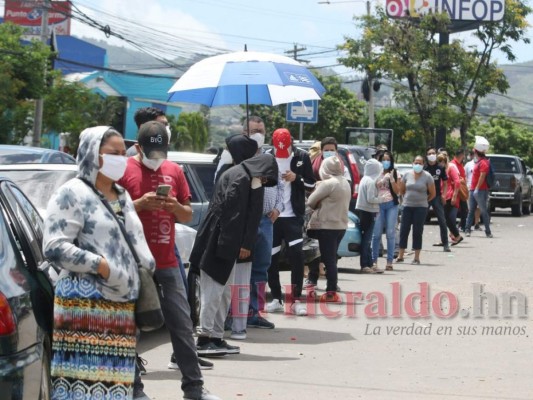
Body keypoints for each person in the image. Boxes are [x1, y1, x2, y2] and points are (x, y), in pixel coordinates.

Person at [43, 126, 156, 400]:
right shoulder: (72, 193)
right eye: (112, 153)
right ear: (92, 154)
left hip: (121, 308)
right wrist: (102, 265)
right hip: (84, 308)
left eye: (122, 153)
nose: (120, 158)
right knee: (83, 387)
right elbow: (54, 247)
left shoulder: (122, 195)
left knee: (117, 387)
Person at [119, 121, 219, 400]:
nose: (156, 158)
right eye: (150, 152)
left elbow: (187, 215)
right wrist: (138, 205)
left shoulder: (174, 170)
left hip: (166, 261)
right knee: (130, 330)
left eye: (160, 152)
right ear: (138, 148)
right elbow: (110, 211)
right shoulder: (124, 170)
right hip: (132, 264)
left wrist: (174, 207)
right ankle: (135, 390)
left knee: (182, 324)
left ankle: (194, 388)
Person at [190, 140, 278, 354]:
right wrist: (243, 245)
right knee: (213, 291)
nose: (264, 181)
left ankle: (217, 337)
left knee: (225, 292)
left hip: (226, 241)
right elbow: (234, 216)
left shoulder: (245, 176)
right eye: (265, 176)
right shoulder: (242, 178)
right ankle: (204, 339)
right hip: (220, 241)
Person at [228, 117, 283, 338]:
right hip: (243, 221)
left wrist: (278, 209)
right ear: (244, 132)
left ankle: (254, 311)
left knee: (261, 267)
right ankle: (233, 312)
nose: (258, 134)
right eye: (253, 131)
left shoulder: (270, 159)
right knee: (238, 269)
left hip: (265, 220)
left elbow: (280, 189)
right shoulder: (235, 159)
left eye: (261, 130)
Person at [266, 128, 316, 316]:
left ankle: (295, 300)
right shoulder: (268, 156)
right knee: (271, 258)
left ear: (290, 143)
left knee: (296, 256)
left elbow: (312, 184)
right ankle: (277, 299)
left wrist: (297, 178)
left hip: (293, 215)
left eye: (284, 149)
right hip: (273, 215)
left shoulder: (301, 156)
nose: (281, 153)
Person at [306, 156, 351, 302]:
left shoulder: (328, 184)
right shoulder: (345, 182)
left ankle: (330, 290)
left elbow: (311, 202)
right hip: (340, 226)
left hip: (325, 226)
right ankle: (324, 285)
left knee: (322, 257)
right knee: (330, 258)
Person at [397, 155, 436, 264]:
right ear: (412, 163)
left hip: (421, 207)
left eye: (420, 163)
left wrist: (424, 200)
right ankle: (400, 255)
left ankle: (416, 257)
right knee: (404, 230)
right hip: (407, 206)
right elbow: (402, 190)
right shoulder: (407, 175)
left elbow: (433, 193)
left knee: (417, 231)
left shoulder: (427, 176)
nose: (418, 165)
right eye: (416, 162)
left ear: (423, 164)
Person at [371, 151, 400, 271]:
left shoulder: (395, 172)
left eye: (388, 160)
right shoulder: (376, 173)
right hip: (378, 205)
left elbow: (398, 191)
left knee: (390, 233)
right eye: (384, 159)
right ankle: (374, 261)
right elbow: (373, 187)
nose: (386, 162)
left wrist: (392, 180)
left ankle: (389, 262)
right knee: (376, 234)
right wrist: (382, 180)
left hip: (391, 205)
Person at [355, 158, 385, 273]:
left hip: (363, 210)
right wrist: (382, 199)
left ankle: (370, 263)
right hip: (368, 211)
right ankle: (365, 265)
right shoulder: (371, 181)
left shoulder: (365, 179)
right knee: (367, 239)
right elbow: (371, 198)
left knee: (366, 238)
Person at [465, 136, 493, 238]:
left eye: (474, 149)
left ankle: (488, 231)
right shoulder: (479, 161)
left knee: (483, 211)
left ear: (476, 151)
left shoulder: (484, 162)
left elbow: (482, 176)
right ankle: (467, 229)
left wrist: (476, 188)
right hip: (474, 189)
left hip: (480, 190)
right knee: (471, 210)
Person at [425, 146, 450, 252]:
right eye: (429, 153)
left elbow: (445, 183)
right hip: (425, 197)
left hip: (437, 196)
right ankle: (416, 245)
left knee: (442, 221)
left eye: (433, 153)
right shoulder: (424, 168)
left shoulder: (440, 168)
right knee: (420, 220)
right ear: (426, 156)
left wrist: (444, 195)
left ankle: (445, 244)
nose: (431, 155)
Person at [440, 151, 463, 245]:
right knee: (446, 218)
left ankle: (456, 235)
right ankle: (452, 236)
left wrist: (454, 196)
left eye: (442, 160)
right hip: (442, 195)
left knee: (447, 218)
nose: (440, 162)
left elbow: (457, 182)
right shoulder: (440, 169)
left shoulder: (451, 168)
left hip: (449, 195)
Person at [450, 148, 468, 233]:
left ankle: (461, 226)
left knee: (464, 209)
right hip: (455, 190)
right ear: (461, 155)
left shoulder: (460, 164)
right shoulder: (453, 164)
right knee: (458, 210)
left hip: (461, 190)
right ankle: (459, 227)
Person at [464, 149, 481, 230]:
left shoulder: (481, 163)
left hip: (479, 188)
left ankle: (476, 223)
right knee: (470, 208)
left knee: (478, 207)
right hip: (470, 188)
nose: (475, 156)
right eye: (474, 154)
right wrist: (466, 186)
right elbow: (464, 176)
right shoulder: (468, 165)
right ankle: (468, 225)